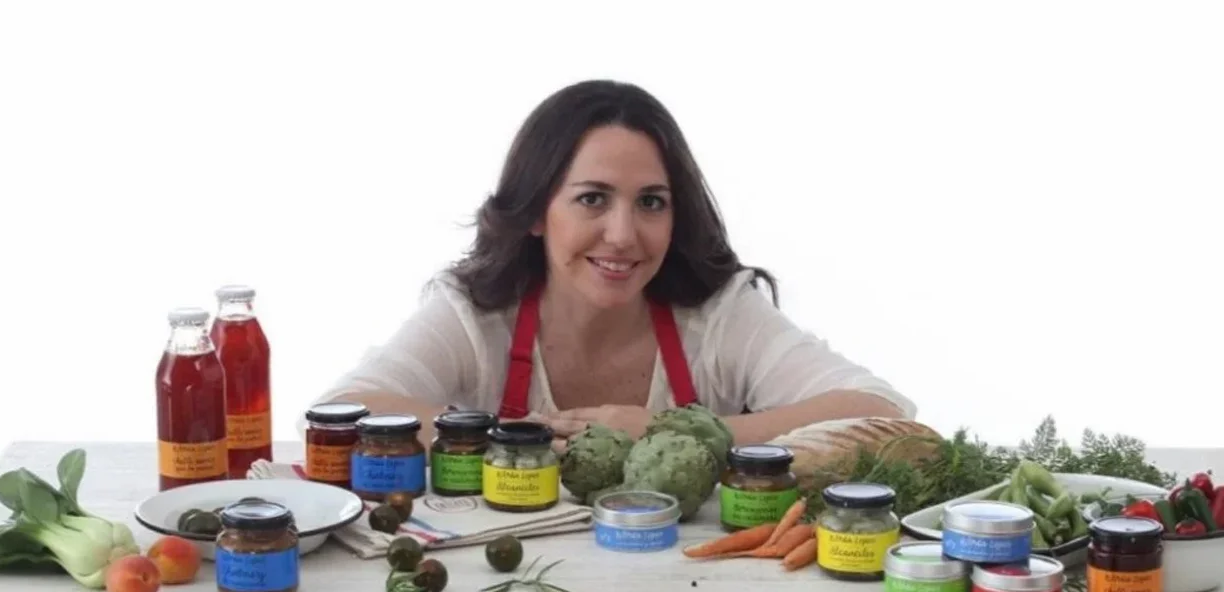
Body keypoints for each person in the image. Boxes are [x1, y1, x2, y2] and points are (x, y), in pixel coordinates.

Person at [309, 79, 916, 448]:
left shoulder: (718, 316)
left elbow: (882, 410)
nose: (623, 236)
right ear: (537, 211)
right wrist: (512, 439)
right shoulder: (475, 316)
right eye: (592, 199)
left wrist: (674, 432)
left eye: (651, 202)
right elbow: (340, 412)